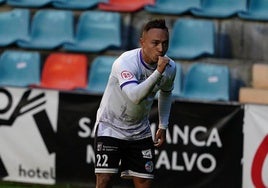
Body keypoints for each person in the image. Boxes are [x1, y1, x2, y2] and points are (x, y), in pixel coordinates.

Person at [94, 19, 176, 188]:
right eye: (155, 43)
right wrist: (158, 72)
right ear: (142, 42)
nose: (161, 49)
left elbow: (166, 94)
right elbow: (134, 96)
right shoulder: (125, 62)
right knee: (104, 180)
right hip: (111, 126)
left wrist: (163, 125)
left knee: (144, 183)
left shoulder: (170, 67)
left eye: (165, 43)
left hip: (140, 130)